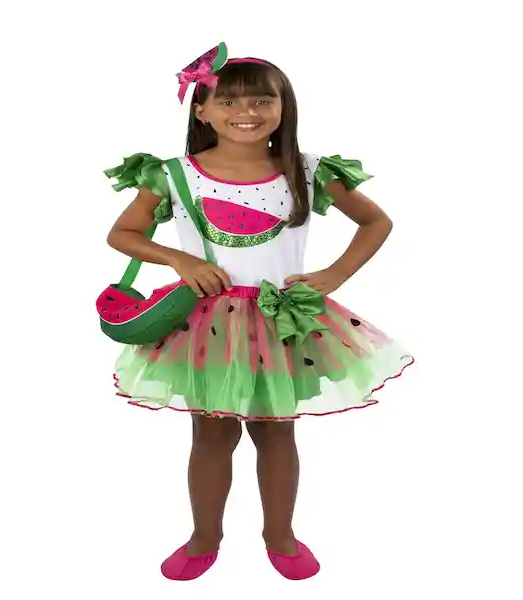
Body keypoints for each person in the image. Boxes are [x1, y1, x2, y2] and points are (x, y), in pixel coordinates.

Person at [103, 43, 414, 581]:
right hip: (207, 326)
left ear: (283, 107)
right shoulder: (175, 175)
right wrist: (179, 258)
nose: (245, 112)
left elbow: (376, 222)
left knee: (276, 434)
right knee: (212, 436)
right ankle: (204, 537)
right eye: (228, 101)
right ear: (202, 110)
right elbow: (123, 233)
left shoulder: (307, 170)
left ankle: (280, 536)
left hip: (282, 322)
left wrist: (333, 275)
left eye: (261, 101)